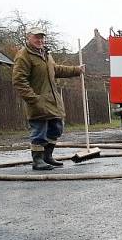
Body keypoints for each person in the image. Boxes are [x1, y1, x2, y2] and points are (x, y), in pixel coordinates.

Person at [11, 26, 85, 171]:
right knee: (39, 131)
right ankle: (37, 160)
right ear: (29, 37)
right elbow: (19, 80)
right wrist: (33, 99)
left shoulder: (45, 53)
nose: (39, 40)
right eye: (36, 37)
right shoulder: (23, 55)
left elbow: (55, 69)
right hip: (37, 101)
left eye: (41, 37)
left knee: (56, 128)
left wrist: (77, 70)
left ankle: (47, 156)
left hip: (52, 100)